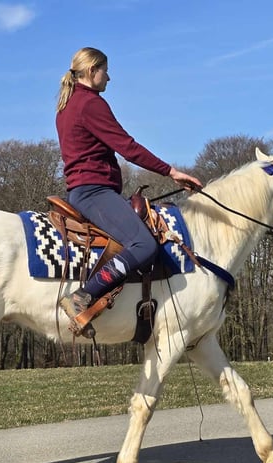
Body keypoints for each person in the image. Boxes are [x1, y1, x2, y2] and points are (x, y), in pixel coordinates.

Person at [56, 47, 202, 336]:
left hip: (86, 190)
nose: (109, 78)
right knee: (144, 246)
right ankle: (83, 297)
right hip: (94, 192)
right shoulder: (90, 103)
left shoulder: (67, 104)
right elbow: (128, 147)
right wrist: (170, 172)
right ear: (91, 71)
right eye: (105, 71)